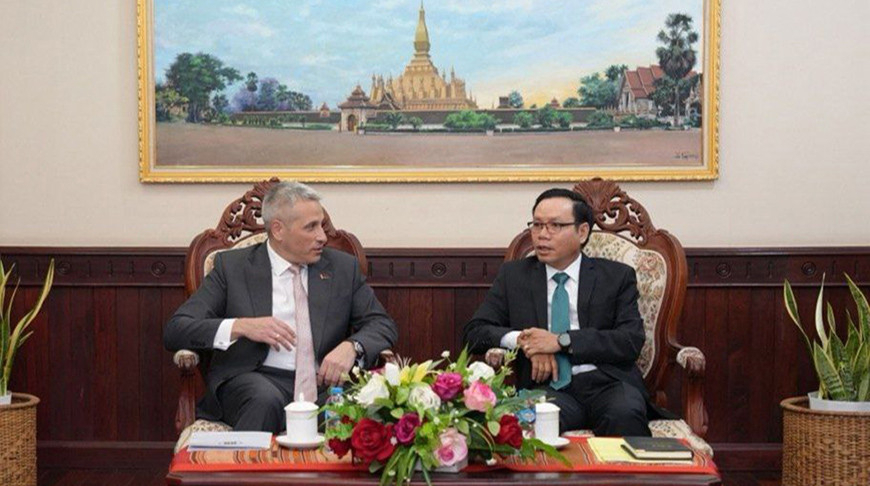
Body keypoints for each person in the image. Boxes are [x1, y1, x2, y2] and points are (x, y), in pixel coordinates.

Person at [164, 181, 398, 433]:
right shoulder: (233, 268)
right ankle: (249, 460)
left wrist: (352, 347)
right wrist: (241, 326)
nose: (322, 236)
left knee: (367, 405)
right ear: (278, 230)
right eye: (311, 227)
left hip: (326, 385)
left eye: (321, 225)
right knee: (264, 400)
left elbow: (381, 324)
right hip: (256, 380)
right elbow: (177, 329)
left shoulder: (342, 268)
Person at [464, 188, 660, 437]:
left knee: (625, 414)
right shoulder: (514, 276)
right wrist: (526, 341)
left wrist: (560, 341)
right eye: (537, 225)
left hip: (608, 384)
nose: (542, 235)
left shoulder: (616, 277)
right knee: (526, 425)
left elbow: (630, 340)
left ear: (582, 232)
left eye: (555, 225)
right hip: (547, 388)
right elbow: (474, 332)